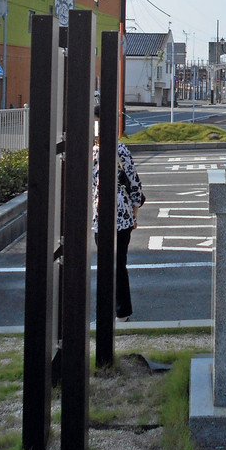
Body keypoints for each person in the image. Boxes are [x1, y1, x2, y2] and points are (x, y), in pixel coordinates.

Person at [92, 106, 144, 321]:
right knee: (118, 264)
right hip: (121, 214)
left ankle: (109, 312)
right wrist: (135, 211)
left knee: (106, 263)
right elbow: (134, 183)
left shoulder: (93, 152)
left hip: (101, 213)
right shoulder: (120, 149)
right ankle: (121, 312)